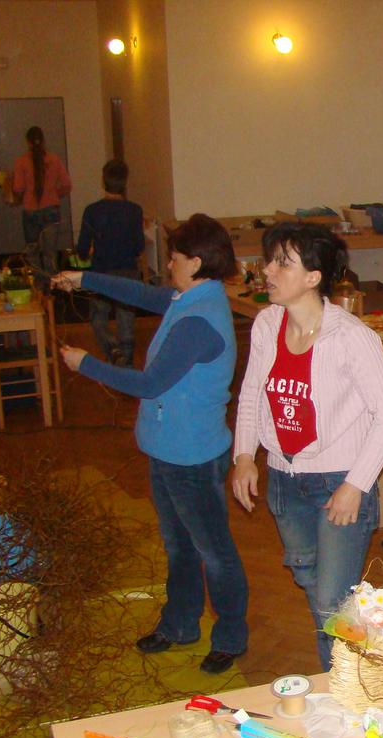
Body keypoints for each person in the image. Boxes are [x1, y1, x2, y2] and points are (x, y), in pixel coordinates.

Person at [52, 214, 248, 675]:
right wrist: (84, 279)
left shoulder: (200, 320)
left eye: (174, 258)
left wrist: (86, 364)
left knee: (213, 551)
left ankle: (230, 637)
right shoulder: (190, 297)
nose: (168, 265)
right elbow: (141, 294)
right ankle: (180, 624)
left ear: (195, 262)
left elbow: (149, 383)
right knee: (178, 545)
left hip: (192, 458)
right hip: (169, 451)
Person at [232, 222, 383, 668]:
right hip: (285, 480)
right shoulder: (267, 324)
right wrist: (245, 456)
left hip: (337, 482)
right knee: (308, 576)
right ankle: (352, 663)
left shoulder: (351, 337)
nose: (267, 271)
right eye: (270, 261)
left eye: (282, 264)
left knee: (331, 600)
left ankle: (342, 684)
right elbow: (251, 394)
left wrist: (355, 485)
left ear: (312, 277)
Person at [76, 159, 146, 367]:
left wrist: (87, 253)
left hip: (102, 272)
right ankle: (127, 366)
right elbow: (138, 247)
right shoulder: (135, 210)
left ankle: (112, 350)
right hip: (127, 270)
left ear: (103, 181)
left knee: (98, 318)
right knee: (126, 321)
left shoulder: (92, 211)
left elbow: (82, 248)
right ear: (125, 183)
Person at [12, 126, 71, 258]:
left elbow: (18, 188)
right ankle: (51, 271)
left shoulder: (21, 162)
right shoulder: (54, 160)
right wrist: (55, 195)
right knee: (50, 253)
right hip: (51, 209)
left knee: (32, 252)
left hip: (30, 210)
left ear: (28, 142)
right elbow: (67, 184)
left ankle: (36, 272)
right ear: (43, 141)